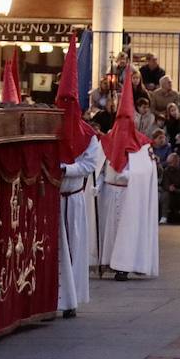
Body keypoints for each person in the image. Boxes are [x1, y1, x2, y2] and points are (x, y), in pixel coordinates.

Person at [54, 38, 103, 318]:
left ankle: (69, 300)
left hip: (73, 199)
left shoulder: (89, 137)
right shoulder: (48, 131)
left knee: (71, 249)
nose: (65, 106)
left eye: (70, 101)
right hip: (52, 200)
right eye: (62, 101)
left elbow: (88, 164)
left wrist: (66, 169)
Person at [99, 67, 160, 279]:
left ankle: (124, 265)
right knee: (110, 230)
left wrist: (129, 177)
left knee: (126, 231)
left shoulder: (142, 145)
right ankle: (108, 261)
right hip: (110, 192)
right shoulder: (108, 139)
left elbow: (144, 171)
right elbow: (101, 164)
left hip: (129, 194)